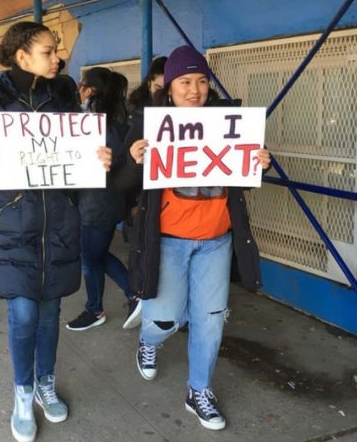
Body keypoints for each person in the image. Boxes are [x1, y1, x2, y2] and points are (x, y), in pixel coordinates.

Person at [0, 21, 112, 442]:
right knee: (24, 312)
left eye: (56, 50)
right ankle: (22, 391)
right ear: (22, 56)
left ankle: (45, 381)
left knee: (49, 313)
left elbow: (79, 164)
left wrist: (98, 158)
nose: (57, 57)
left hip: (59, 223)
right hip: (13, 222)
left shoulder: (63, 95)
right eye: (48, 51)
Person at [113, 45, 271, 431]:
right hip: (167, 242)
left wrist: (258, 165)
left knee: (211, 321)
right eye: (185, 81)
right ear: (170, 87)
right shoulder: (149, 125)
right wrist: (135, 160)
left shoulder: (228, 121)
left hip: (216, 242)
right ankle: (149, 341)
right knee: (164, 320)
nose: (195, 89)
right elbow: (119, 184)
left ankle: (198, 390)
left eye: (201, 81)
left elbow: (239, 184)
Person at [65, 67, 141, 331]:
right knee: (95, 253)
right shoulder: (120, 116)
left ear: (91, 90)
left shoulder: (95, 122)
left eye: (82, 85)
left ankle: (127, 295)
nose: (79, 89)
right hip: (110, 201)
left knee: (90, 257)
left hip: (95, 202)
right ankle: (99, 306)